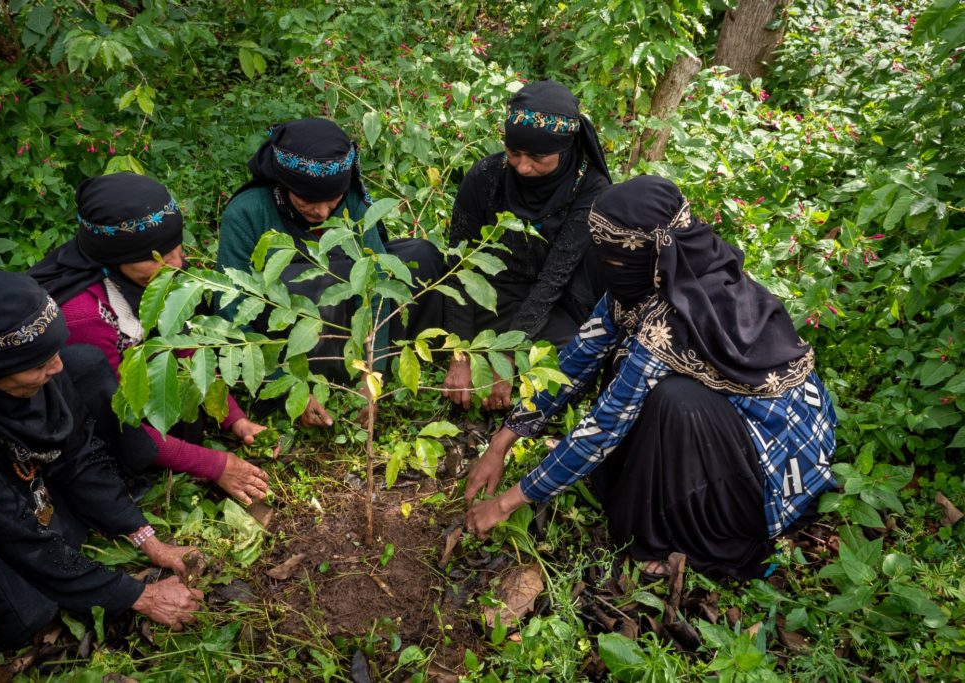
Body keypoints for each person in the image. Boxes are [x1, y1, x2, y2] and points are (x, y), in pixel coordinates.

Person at [464, 176, 837, 580]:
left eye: (615, 259)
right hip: (733, 427)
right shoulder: (651, 278)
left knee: (672, 399)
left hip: (775, 463)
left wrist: (504, 505)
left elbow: (606, 424)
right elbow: (577, 359)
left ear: (654, 251)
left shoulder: (675, 318)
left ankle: (690, 531)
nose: (607, 270)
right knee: (634, 371)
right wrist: (503, 441)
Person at [0, 271, 203, 645]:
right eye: (37, 364)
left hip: (15, 479)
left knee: (85, 364)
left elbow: (80, 455)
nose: (56, 367)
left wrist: (145, 538)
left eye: (52, 352)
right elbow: (15, 531)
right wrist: (137, 596)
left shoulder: (42, 369)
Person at [30, 173, 271, 505]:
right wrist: (214, 465)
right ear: (113, 257)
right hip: (101, 428)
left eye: (176, 248)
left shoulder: (155, 275)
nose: (175, 264)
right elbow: (118, 420)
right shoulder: (84, 313)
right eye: (158, 257)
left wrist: (235, 419)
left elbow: (184, 344)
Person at [217, 118, 444, 427]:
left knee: (419, 257)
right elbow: (232, 310)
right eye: (308, 200)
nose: (322, 213)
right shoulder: (246, 213)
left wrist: (372, 372)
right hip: (288, 340)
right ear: (282, 184)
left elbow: (375, 285)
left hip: (349, 327)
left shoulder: (353, 202)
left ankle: (383, 365)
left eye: (333, 201)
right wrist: (290, 388)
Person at [442, 79, 613, 412]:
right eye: (513, 152)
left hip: (553, 306)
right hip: (489, 295)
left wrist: (508, 358)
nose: (522, 166)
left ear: (564, 150)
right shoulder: (486, 176)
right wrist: (459, 353)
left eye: (538, 157)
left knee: (571, 360)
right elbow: (459, 265)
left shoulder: (590, 189)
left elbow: (553, 281)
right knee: (425, 304)